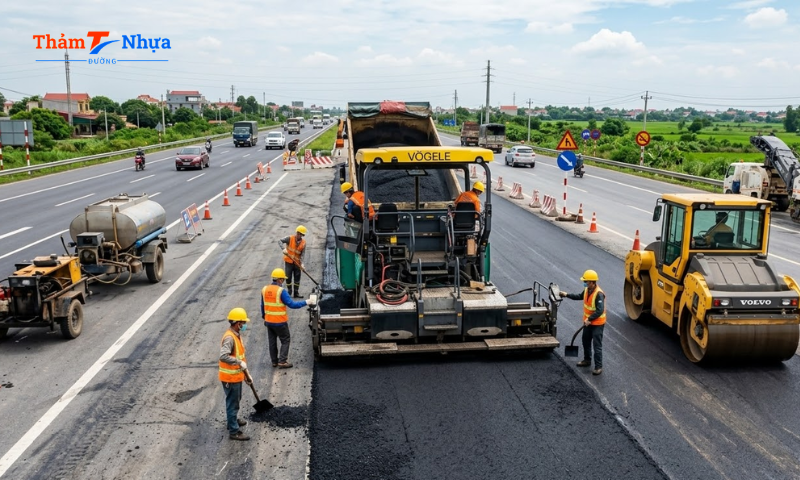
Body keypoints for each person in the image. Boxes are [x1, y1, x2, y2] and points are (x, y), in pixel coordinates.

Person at [262, 268, 317, 369]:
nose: (283, 281)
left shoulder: (265, 289)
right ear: (279, 280)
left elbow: (262, 306)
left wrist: (264, 318)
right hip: (280, 322)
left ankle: (274, 361)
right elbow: (292, 304)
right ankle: (282, 361)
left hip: (269, 321)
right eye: (283, 279)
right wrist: (307, 302)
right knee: (285, 339)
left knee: (272, 341)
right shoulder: (281, 291)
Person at [559, 269, 605, 375]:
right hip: (588, 323)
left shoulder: (599, 294)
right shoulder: (587, 290)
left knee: (597, 345)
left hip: (597, 324)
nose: (584, 283)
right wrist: (566, 295)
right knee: (585, 341)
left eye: (586, 281)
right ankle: (587, 360)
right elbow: (579, 296)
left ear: (592, 282)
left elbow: (600, 310)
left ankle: (598, 367)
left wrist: (589, 319)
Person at [219, 307, 251, 441]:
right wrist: (239, 362)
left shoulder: (236, 335)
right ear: (238, 323)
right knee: (232, 403)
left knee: (235, 401)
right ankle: (234, 431)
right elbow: (223, 356)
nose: (244, 325)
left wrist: (246, 375)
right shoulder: (229, 338)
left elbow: (240, 357)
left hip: (236, 376)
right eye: (243, 323)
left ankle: (233, 420)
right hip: (230, 378)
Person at [279, 225, 307, 298]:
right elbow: (280, 241)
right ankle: (289, 291)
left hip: (297, 263)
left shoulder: (303, 243)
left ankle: (296, 292)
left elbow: (302, 254)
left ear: (302, 235)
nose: (298, 235)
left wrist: (302, 264)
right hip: (289, 262)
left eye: (300, 234)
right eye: (298, 233)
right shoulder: (289, 238)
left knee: (297, 278)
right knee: (288, 277)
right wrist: (283, 249)